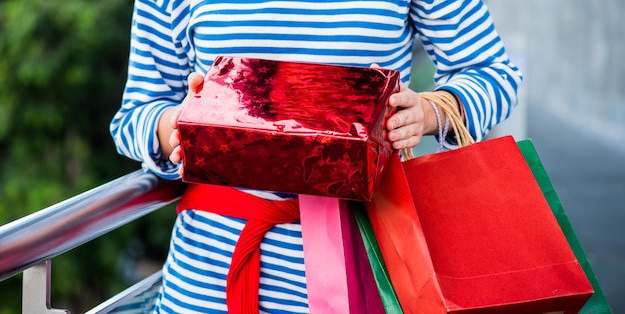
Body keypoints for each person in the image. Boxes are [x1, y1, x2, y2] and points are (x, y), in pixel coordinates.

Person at [110, 0, 522, 312]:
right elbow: (134, 116)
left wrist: (429, 112)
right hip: (209, 274)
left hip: (368, 265)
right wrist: (175, 128)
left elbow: (493, 72)